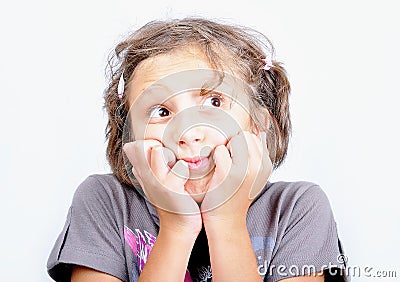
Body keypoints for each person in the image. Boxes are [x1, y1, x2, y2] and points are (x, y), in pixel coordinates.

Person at [47, 17, 349, 282]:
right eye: (161, 111)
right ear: (129, 139)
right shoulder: (104, 200)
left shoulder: (297, 208)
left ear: (259, 122)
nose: (188, 132)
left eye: (214, 102)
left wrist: (225, 218)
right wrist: (177, 227)